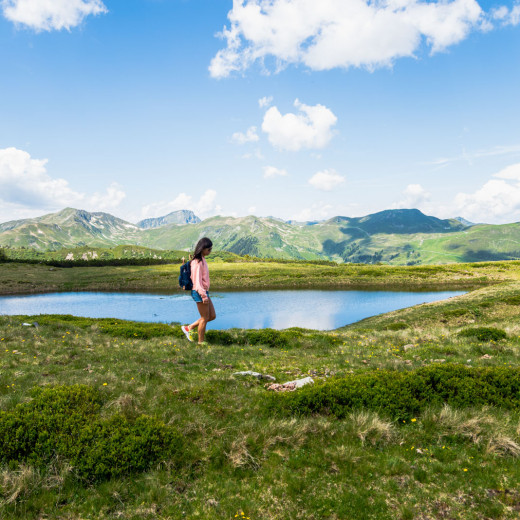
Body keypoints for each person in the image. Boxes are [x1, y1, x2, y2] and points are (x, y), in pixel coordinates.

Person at [181, 237, 216, 345]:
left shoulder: (202, 259)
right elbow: (197, 282)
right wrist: (204, 296)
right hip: (199, 292)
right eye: (208, 249)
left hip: (203, 291)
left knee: (212, 316)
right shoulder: (197, 262)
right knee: (204, 318)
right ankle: (200, 343)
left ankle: (189, 327)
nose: (210, 251)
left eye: (211, 249)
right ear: (202, 249)